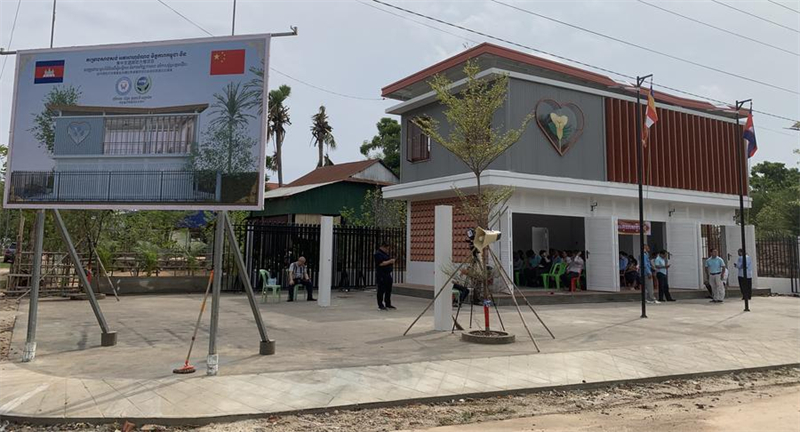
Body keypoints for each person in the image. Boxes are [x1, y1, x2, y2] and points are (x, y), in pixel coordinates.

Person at [374, 241, 396, 311]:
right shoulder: (378, 254)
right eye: (386, 248)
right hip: (381, 274)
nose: (387, 250)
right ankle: (380, 305)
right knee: (381, 290)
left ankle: (388, 303)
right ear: (382, 247)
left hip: (387, 274)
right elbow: (381, 264)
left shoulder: (385, 254)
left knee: (388, 289)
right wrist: (390, 261)